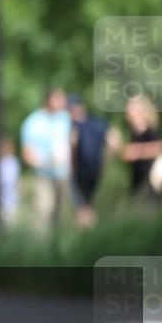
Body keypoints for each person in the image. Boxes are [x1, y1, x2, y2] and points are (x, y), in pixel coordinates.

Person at [20, 88, 72, 232]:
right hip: (43, 175)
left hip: (64, 174)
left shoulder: (65, 118)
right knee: (43, 212)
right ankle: (41, 251)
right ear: (49, 99)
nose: (63, 102)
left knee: (62, 215)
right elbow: (27, 153)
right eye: (59, 99)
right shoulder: (33, 122)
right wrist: (44, 164)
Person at [68, 94, 109, 227]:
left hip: (80, 172)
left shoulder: (75, 126)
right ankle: (93, 235)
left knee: (82, 207)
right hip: (96, 170)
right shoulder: (99, 123)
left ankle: (86, 238)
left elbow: (73, 144)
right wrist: (104, 162)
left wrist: (72, 167)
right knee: (91, 205)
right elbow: (114, 141)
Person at [121, 94, 162, 205]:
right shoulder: (134, 133)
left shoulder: (150, 131)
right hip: (137, 178)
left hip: (150, 180)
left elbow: (158, 148)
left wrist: (136, 152)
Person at [0, 137, 20, 224]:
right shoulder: (13, 162)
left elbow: (6, 181)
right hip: (8, 202)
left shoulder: (10, 163)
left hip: (8, 203)